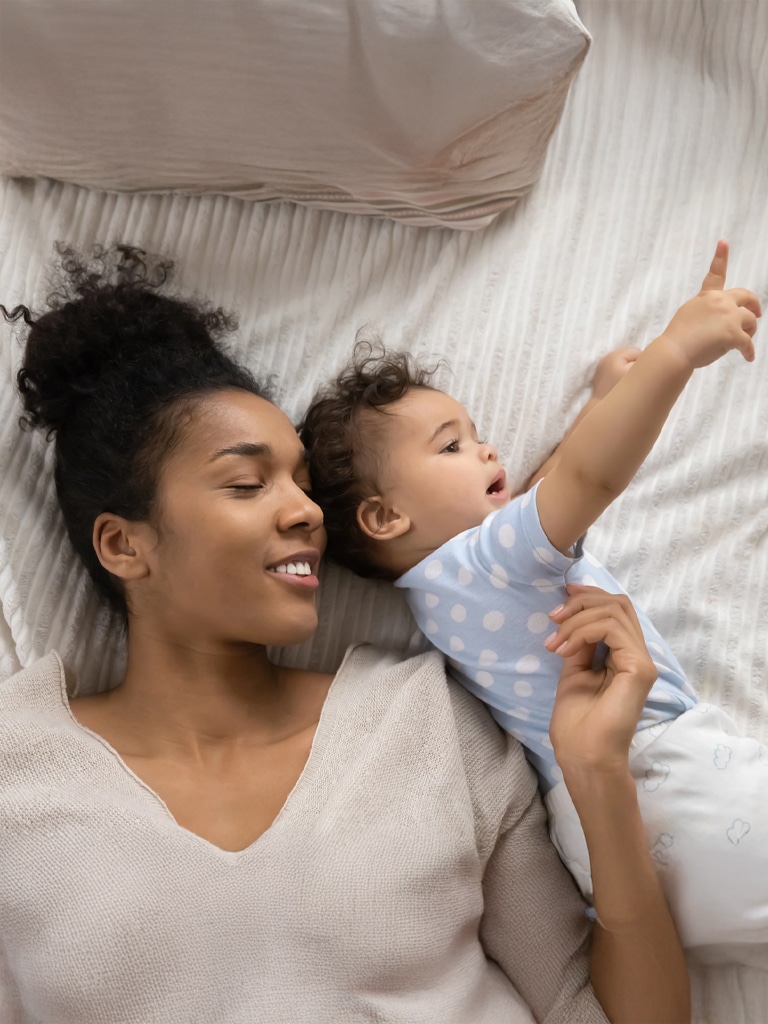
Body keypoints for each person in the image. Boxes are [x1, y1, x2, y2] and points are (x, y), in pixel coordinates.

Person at [0, 243, 690, 1024]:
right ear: (125, 545)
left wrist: (598, 774)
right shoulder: (17, 771)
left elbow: (605, 1013)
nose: (305, 512)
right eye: (246, 483)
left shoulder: (424, 722)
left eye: (300, 481)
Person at [301, 242, 767, 959]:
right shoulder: (486, 560)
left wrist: (602, 400)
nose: (488, 452)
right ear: (385, 517)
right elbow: (584, 480)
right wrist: (675, 353)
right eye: (452, 446)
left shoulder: (442, 592)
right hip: (666, 777)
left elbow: (546, 491)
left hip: (611, 844)